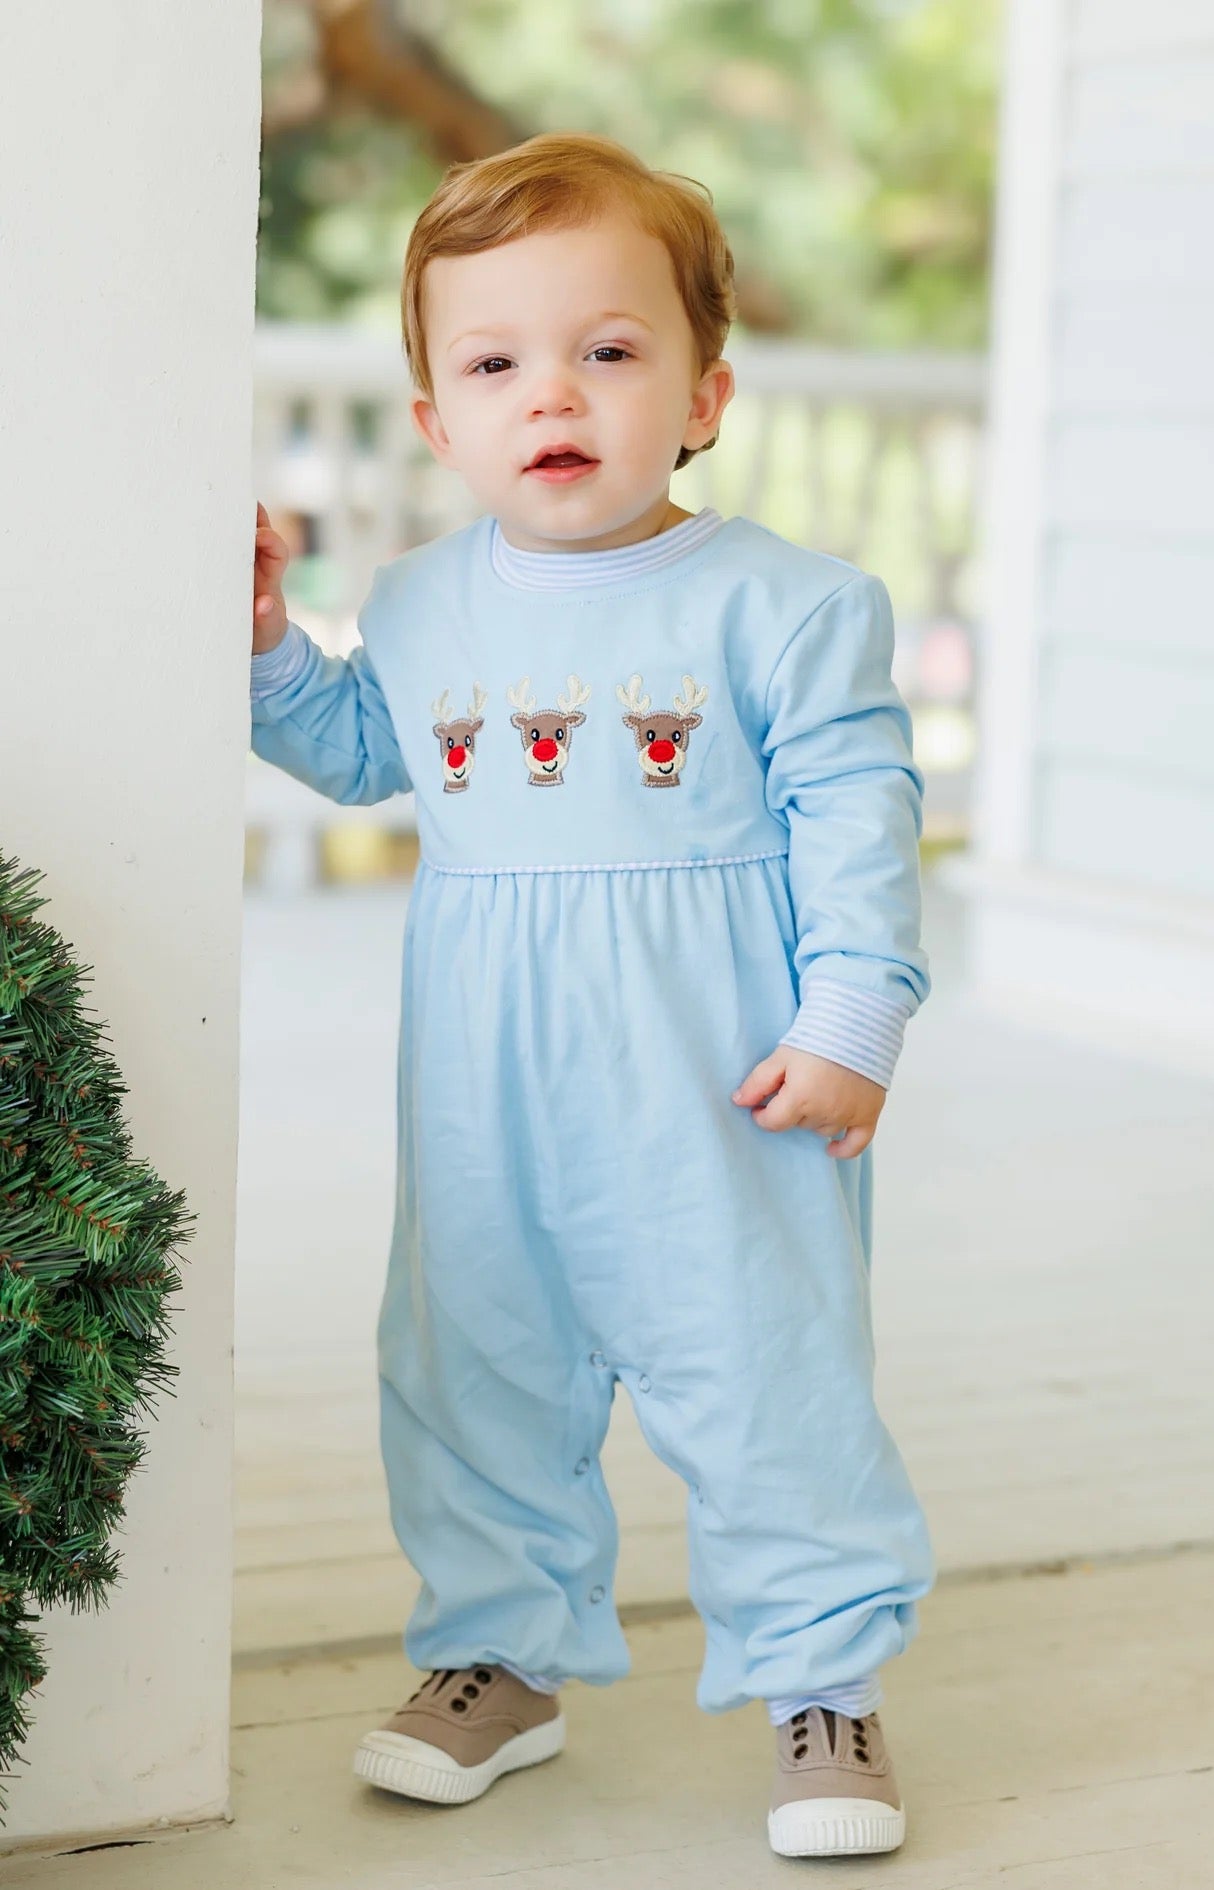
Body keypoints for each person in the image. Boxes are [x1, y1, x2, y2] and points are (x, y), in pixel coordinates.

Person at [250, 131, 932, 1861]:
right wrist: (263, 644)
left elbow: (857, 820)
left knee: (768, 1374)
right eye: (494, 365)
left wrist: (851, 1021)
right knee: (472, 1360)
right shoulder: (421, 603)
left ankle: (820, 1673)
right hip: (486, 1085)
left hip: (724, 1077)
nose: (550, 393)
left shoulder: (787, 607)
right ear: (438, 421)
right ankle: (499, 1652)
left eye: (607, 349)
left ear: (704, 393)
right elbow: (357, 751)